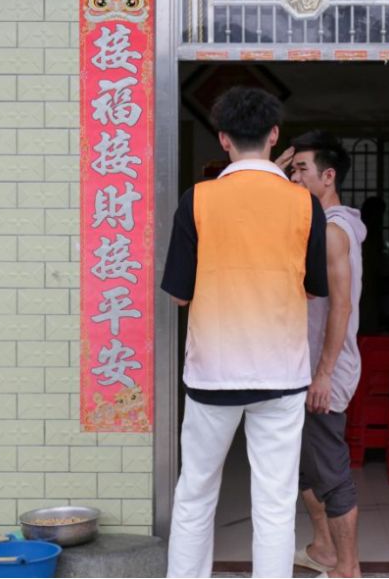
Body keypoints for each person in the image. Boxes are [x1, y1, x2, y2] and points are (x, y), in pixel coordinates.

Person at [161, 87, 329, 578]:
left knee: (195, 493)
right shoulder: (305, 204)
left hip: (212, 373)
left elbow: (178, 296)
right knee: (275, 501)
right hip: (281, 375)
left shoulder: (197, 199)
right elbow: (314, 289)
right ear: (274, 135)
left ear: (223, 139)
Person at [277, 131, 366, 578]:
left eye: (301, 169)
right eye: (291, 169)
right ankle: (324, 550)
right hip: (303, 367)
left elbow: (341, 307)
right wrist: (275, 168)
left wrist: (324, 374)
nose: (294, 177)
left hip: (323, 372)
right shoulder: (315, 224)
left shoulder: (334, 231)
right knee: (305, 468)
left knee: (330, 473)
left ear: (328, 176)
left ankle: (347, 569)